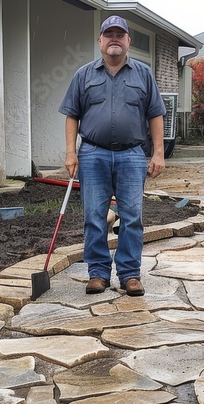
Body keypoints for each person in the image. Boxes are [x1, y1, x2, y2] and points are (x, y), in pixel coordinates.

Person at [59, 15, 166, 297]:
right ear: (100, 41)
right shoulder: (83, 75)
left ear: (128, 41)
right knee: (94, 216)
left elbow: (155, 114)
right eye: (109, 34)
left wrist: (158, 153)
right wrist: (71, 153)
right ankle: (97, 274)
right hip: (93, 155)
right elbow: (72, 116)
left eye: (120, 34)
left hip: (132, 155)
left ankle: (130, 275)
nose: (114, 39)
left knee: (131, 217)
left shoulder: (143, 74)